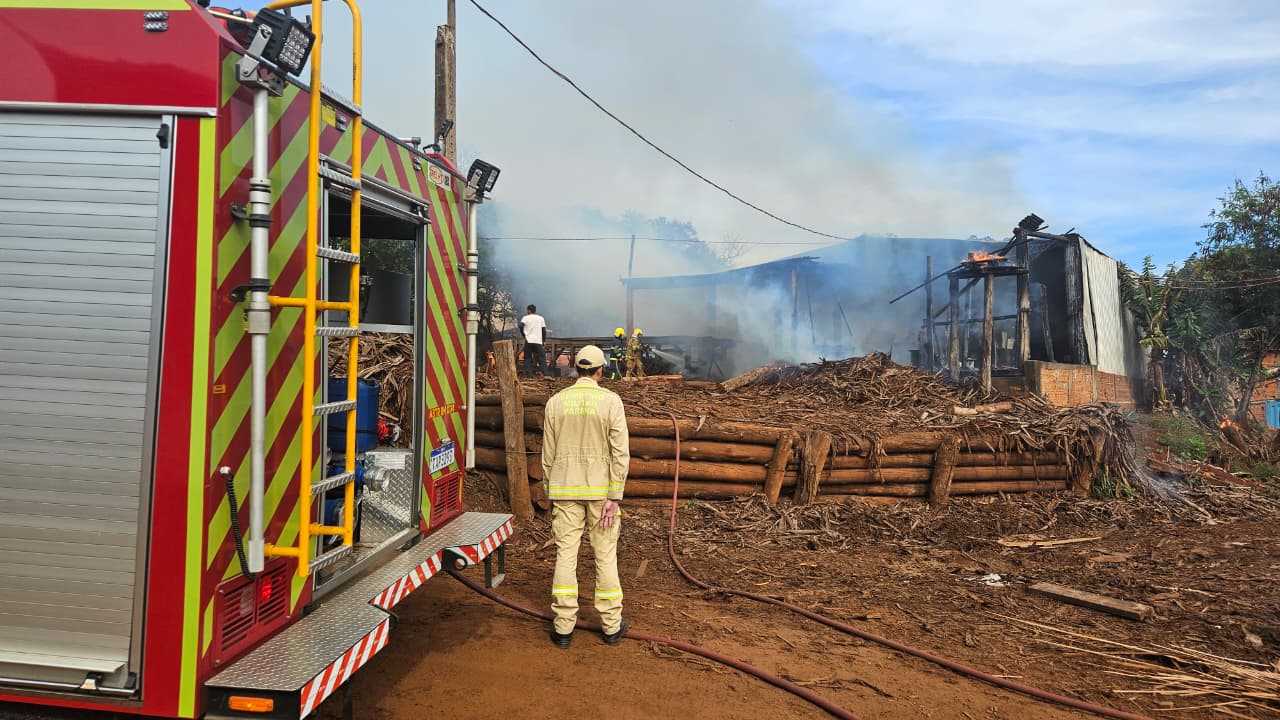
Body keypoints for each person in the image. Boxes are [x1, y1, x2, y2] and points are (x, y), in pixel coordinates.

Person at [541, 345, 630, 648]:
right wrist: (614, 495)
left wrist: (548, 492)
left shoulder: (556, 402)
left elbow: (547, 454)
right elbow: (620, 453)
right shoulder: (611, 402)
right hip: (600, 494)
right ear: (601, 370)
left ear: (575, 369)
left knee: (566, 554)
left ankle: (563, 627)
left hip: (565, 490)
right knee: (605, 556)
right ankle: (611, 625)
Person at [519, 304, 549, 377]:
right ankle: (546, 374)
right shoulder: (541, 318)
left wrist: (524, 335)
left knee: (528, 358)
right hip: (538, 341)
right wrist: (544, 340)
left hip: (528, 341)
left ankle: (529, 376)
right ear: (535, 310)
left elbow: (520, 326)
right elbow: (544, 330)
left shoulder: (525, 318)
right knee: (541, 358)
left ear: (529, 310)